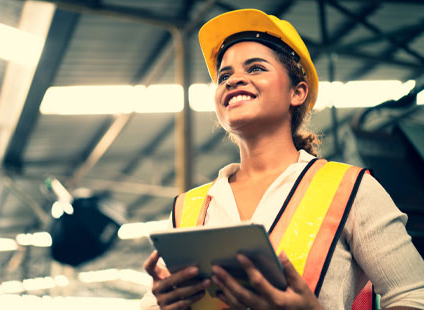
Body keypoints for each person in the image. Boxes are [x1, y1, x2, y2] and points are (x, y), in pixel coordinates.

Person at [141, 8, 424, 310]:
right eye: (224, 75)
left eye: (256, 68)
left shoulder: (351, 189)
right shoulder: (187, 207)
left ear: (297, 92)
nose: (233, 80)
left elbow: (414, 296)